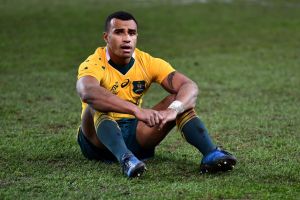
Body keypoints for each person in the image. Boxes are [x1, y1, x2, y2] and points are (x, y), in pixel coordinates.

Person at [76, 11, 237, 178]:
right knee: (95, 104)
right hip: (97, 142)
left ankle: (211, 154)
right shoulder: (94, 62)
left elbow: (189, 86)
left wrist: (173, 110)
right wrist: (136, 110)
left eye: (131, 33)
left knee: (178, 99)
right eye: (119, 32)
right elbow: (88, 92)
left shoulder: (147, 62)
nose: (126, 38)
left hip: (136, 134)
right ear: (106, 37)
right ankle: (125, 159)